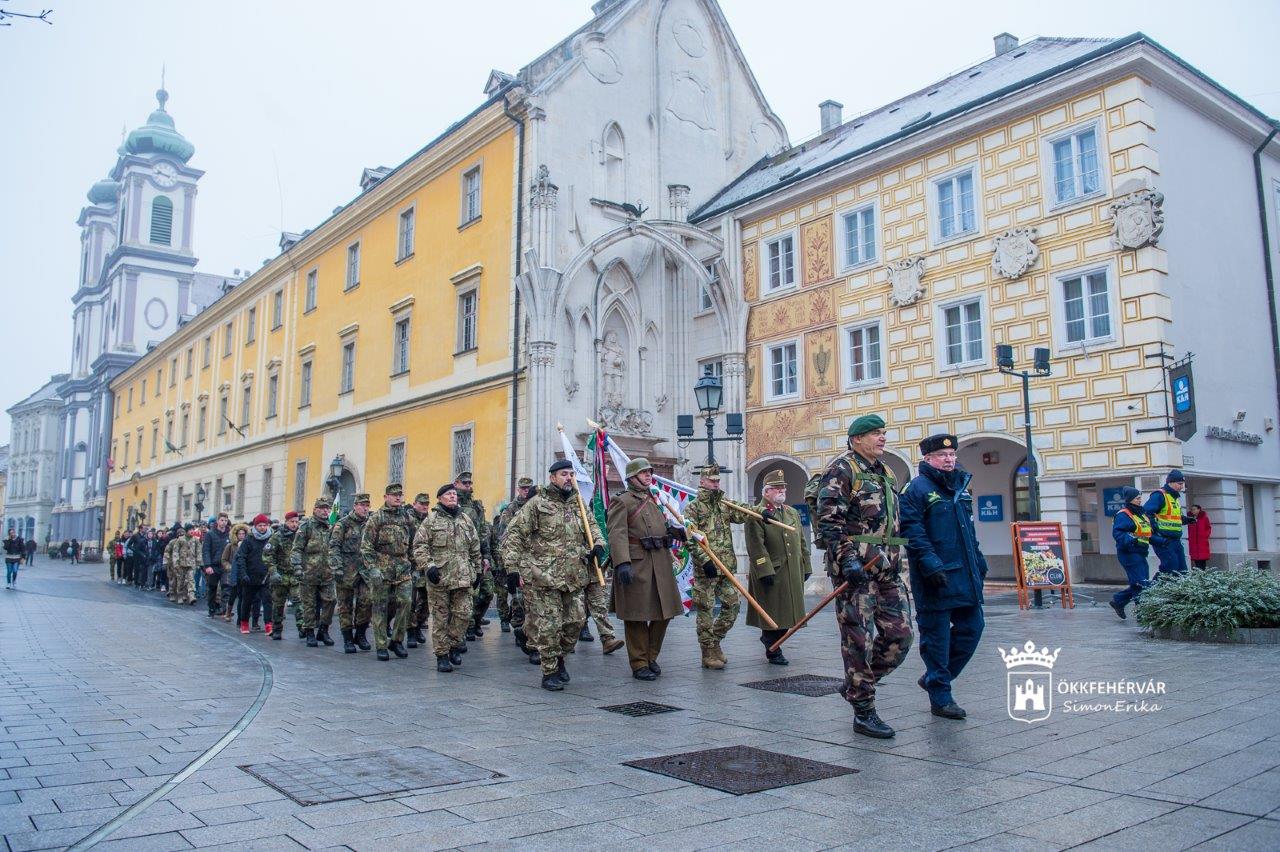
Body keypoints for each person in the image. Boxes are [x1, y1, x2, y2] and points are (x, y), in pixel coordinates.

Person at [816, 414, 913, 739]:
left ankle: (856, 685)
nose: (882, 438)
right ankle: (864, 710)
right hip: (857, 570)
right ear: (857, 439)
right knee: (859, 639)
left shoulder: (884, 472)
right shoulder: (842, 469)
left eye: (883, 432)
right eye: (875, 433)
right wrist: (846, 560)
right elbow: (829, 520)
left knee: (900, 637)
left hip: (888, 566)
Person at [900, 433, 988, 721]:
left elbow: (969, 531)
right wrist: (929, 563)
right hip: (934, 576)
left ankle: (936, 678)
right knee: (936, 639)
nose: (949, 459)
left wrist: (979, 560)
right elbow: (913, 531)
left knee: (973, 628)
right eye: (942, 456)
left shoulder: (960, 487)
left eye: (952, 455)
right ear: (927, 459)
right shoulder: (917, 489)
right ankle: (941, 696)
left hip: (965, 574)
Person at [501, 460, 606, 690]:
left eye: (571, 474)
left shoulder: (579, 503)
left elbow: (594, 527)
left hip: (574, 576)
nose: (568, 478)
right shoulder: (537, 504)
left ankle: (559, 658)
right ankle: (549, 671)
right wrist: (512, 569)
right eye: (563, 474)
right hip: (544, 577)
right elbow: (514, 535)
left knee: (576, 622)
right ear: (552, 478)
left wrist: (598, 544)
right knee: (549, 626)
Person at [606, 458, 685, 681]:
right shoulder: (622, 501)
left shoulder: (657, 498)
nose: (648, 475)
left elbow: (664, 524)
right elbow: (617, 533)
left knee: (664, 613)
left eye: (649, 472)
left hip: (660, 562)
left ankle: (651, 656)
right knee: (637, 616)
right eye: (643, 473)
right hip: (637, 563)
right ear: (632, 477)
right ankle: (639, 662)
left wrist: (675, 533)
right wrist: (622, 563)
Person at [684, 463, 751, 669]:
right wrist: (704, 561)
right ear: (702, 481)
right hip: (707, 569)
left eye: (718, 480)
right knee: (705, 609)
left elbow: (744, 514)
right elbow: (690, 537)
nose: (716, 483)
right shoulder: (693, 508)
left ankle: (715, 642)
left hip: (726, 566)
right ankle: (707, 652)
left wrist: (762, 511)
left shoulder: (724, 504)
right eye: (712, 480)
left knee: (733, 606)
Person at [744, 469, 810, 665]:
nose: (782, 490)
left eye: (783, 487)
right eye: (777, 488)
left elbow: (801, 541)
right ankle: (772, 647)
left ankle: (774, 641)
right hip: (773, 571)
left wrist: (806, 565)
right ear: (766, 492)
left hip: (792, 570)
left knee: (789, 613)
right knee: (772, 612)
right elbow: (756, 546)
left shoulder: (791, 513)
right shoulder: (757, 514)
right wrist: (764, 570)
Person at [415, 482, 482, 672]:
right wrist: (428, 566)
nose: (453, 496)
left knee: (464, 614)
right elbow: (419, 546)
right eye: (448, 494)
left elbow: (475, 547)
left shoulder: (465, 520)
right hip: (440, 579)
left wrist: (477, 571)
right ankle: (442, 655)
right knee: (440, 619)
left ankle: (453, 645)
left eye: (454, 493)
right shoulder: (431, 520)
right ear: (440, 498)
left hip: (462, 577)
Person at [360, 483, 415, 661]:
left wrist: (414, 565)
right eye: (393, 495)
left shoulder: (407, 517)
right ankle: (381, 644)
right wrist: (373, 568)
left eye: (400, 495)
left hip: (402, 567)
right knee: (380, 607)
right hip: (382, 568)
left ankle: (397, 640)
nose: (397, 497)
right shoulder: (376, 518)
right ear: (385, 497)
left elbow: (414, 543)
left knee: (406, 602)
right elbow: (366, 546)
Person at [492, 480, 537, 660]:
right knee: (519, 599)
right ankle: (519, 627)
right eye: (523, 488)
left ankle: (527, 632)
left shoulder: (539, 507)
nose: (526, 491)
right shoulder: (511, 510)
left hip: (538, 561)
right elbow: (504, 537)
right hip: (519, 559)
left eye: (529, 488)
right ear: (518, 489)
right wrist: (507, 565)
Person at [330, 493, 373, 653]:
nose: (365, 508)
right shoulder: (343, 524)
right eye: (362, 505)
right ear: (355, 506)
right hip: (346, 571)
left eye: (367, 505)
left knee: (366, 602)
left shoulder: (370, 524)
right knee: (345, 605)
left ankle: (360, 634)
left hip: (365, 571)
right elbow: (334, 546)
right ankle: (348, 638)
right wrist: (336, 567)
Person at [293, 497, 336, 648]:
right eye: (322, 508)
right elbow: (297, 549)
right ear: (315, 509)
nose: (325, 511)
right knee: (309, 605)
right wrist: (297, 567)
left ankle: (323, 630)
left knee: (330, 601)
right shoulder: (306, 526)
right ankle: (310, 631)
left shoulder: (330, 527)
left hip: (327, 573)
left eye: (327, 508)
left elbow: (335, 548)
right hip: (308, 572)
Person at [455, 471, 493, 641]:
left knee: (487, 592)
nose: (468, 487)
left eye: (470, 483)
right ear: (456, 484)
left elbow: (483, 532)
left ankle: (476, 620)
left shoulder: (477, 506)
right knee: (469, 593)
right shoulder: (452, 504)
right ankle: (467, 627)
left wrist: (486, 556)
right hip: (460, 557)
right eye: (465, 483)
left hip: (477, 555)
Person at [1109, 487, 1152, 619]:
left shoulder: (1141, 514)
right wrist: (1131, 541)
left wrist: (1160, 541)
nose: (1140, 500)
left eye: (1140, 498)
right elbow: (1118, 533)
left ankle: (1119, 601)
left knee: (1141, 582)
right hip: (1129, 553)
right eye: (1137, 498)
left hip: (1141, 552)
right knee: (1140, 583)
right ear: (1130, 500)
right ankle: (1142, 613)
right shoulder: (1124, 514)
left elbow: (1148, 533)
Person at [1143, 470, 1194, 576]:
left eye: (1182, 484)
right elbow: (1147, 512)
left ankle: (1174, 591)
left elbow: (1173, 518)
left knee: (1182, 571)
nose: (1181, 487)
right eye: (1179, 484)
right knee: (1170, 568)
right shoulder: (1160, 495)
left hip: (1175, 540)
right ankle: (1151, 590)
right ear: (1170, 482)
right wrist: (1154, 526)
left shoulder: (1174, 498)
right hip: (1164, 539)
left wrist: (1186, 520)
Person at [233, 514, 273, 634]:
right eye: (260, 525)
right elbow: (241, 558)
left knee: (267, 601)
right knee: (247, 601)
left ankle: (268, 625)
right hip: (250, 576)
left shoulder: (271, 539)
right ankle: (244, 623)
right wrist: (243, 574)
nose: (262, 528)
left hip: (266, 576)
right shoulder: (248, 540)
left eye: (264, 525)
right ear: (255, 526)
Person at [404, 493, 433, 649]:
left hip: (426, 566)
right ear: (414, 504)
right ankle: (411, 631)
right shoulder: (407, 520)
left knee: (426, 599)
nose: (424, 506)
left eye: (427, 504)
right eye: (422, 504)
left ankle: (419, 624)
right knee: (411, 601)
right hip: (411, 566)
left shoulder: (430, 520)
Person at [265, 511, 301, 639]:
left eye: (296, 522)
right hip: (280, 575)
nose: (294, 524)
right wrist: (273, 571)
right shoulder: (277, 536)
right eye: (292, 522)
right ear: (286, 522)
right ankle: (277, 629)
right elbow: (268, 555)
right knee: (278, 605)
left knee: (299, 602)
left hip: (295, 575)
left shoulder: (300, 535)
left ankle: (302, 627)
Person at [202, 515, 231, 617]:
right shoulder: (210, 534)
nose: (224, 522)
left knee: (226, 587)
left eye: (225, 520)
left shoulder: (229, 535)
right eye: (222, 520)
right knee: (212, 588)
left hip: (225, 566)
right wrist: (208, 565)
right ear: (218, 521)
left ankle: (225, 609)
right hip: (213, 565)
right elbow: (206, 550)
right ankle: (212, 608)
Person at [167, 524, 200, 606]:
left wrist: (199, 562)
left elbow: (199, 551)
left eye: (193, 529)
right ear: (186, 531)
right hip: (181, 564)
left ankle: (191, 595)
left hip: (191, 564)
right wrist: (175, 562)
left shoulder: (195, 540)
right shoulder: (180, 540)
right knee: (180, 581)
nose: (192, 531)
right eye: (190, 530)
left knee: (191, 580)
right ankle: (180, 595)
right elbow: (175, 552)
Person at [220, 525, 247, 619]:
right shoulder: (230, 546)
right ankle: (228, 612)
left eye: (243, 534)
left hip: (244, 573)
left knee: (244, 595)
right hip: (234, 574)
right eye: (239, 534)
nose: (241, 535)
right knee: (233, 594)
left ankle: (244, 614)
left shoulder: (247, 545)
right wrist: (230, 568)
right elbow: (224, 559)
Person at [1188, 504, 1212, 569]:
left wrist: (1205, 535)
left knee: (1202, 561)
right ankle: (1199, 574)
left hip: (1202, 542)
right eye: (1192, 509)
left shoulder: (1204, 518)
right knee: (1196, 560)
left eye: (1194, 509)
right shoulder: (1189, 518)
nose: (1193, 511)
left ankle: (1202, 574)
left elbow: (1208, 528)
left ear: (1199, 510)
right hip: (1193, 542)